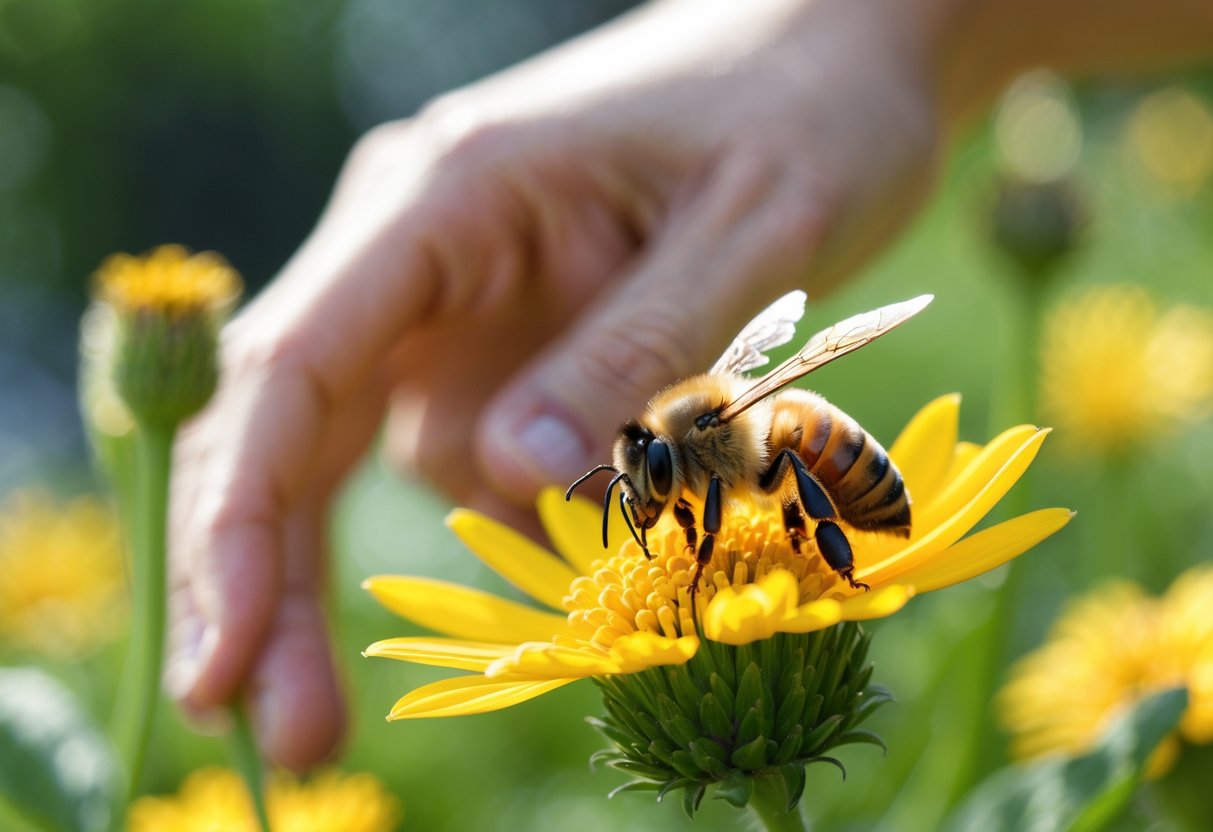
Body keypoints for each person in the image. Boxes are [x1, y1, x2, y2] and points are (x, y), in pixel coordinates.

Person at [165, 0, 1213, 769]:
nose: (654, 511)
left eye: (654, 481)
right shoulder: (686, 461)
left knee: (794, 466)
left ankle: (836, 562)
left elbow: (753, 466)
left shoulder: (720, 453)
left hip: (836, 489)